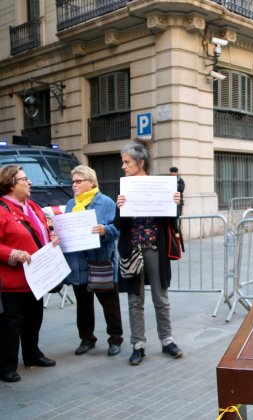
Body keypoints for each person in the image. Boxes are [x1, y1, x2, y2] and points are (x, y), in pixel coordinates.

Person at [116, 139, 183, 366]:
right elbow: (119, 226)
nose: (123, 166)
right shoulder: (124, 187)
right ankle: (138, 344)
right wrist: (120, 208)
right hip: (132, 250)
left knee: (160, 298)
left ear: (140, 162)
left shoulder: (159, 185)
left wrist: (176, 203)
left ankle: (167, 340)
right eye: (122, 162)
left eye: (127, 162)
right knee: (135, 300)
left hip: (156, 248)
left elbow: (171, 221)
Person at [0, 165, 59, 383]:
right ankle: (6, 365)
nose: (30, 182)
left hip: (36, 279)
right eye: (25, 179)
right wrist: (13, 253)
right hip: (12, 282)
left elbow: (46, 228)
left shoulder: (32, 206)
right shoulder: (1, 209)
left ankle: (32, 355)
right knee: (11, 325)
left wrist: (52, 236)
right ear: (10, 183)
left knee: (34, 320)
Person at [62, 165, 123, 357]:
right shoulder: (71, 204)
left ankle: (115, 338)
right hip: (78, 263)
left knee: (109, 302)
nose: (74, 185)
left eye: (78, 181)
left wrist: (105, 230)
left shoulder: (106, 203)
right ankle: (87, 338)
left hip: (100, 260)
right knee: (83, 304)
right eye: (73, 181)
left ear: (91, 182)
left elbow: (118, 229)